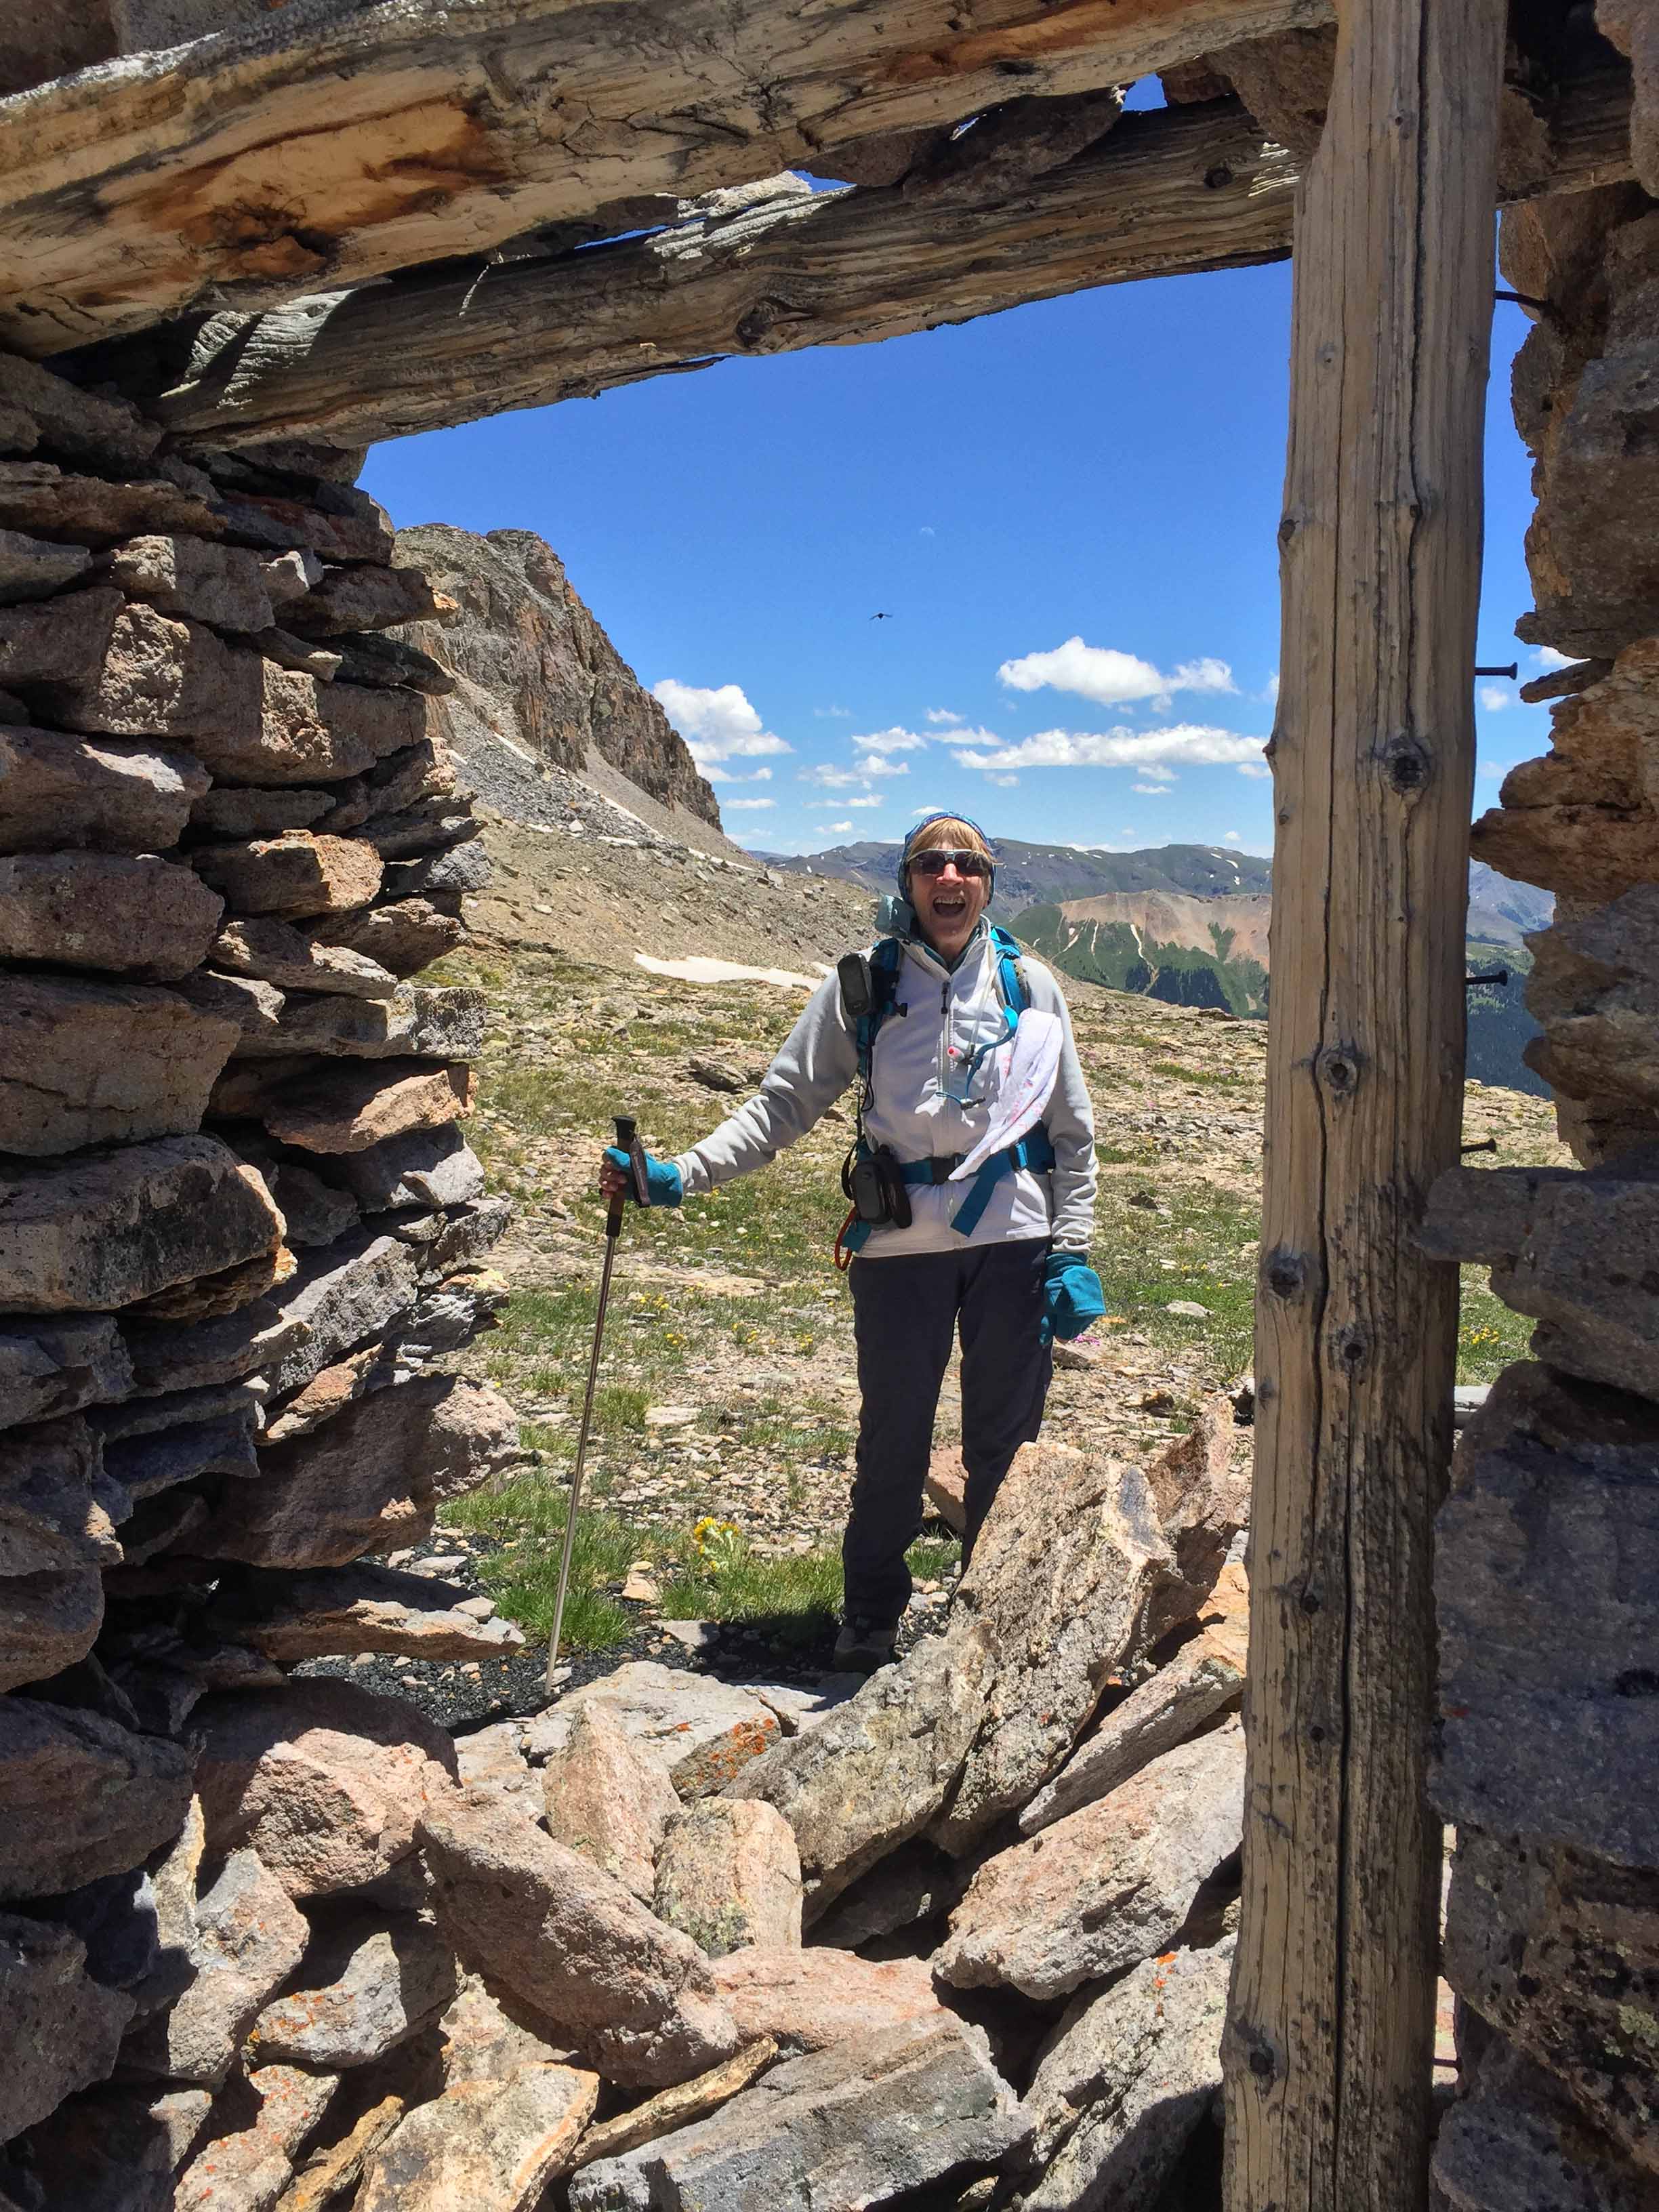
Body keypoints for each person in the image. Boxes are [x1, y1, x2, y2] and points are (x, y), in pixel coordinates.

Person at [600, 811, 1103, 1671]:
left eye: (967, 866)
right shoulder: (863, 985)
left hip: (1014, 1242)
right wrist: (679, 1174)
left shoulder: (1030, 985)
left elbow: (1070, 1130)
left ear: (987, 882)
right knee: (895, 1439)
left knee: (1006, 1444)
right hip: (898, 1243)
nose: (950, 879)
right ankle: (870, 1616)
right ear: (908, 882)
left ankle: (994, 1623)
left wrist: (1071, 1244)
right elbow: (782, 1106)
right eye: (931, 865)